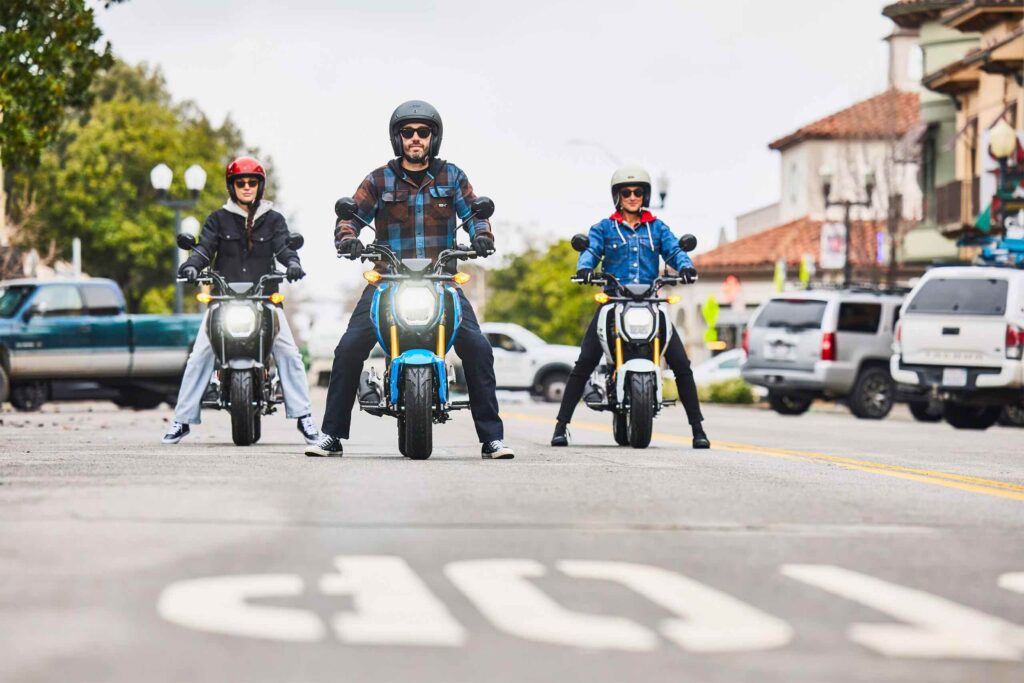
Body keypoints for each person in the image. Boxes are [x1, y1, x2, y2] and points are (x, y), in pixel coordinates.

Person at [307, 100, 513, 459]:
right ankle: (331, 436)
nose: (415, 138)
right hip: (388, 281)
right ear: (397, 137)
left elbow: (475, 213)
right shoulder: (378, 179)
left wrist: (483, 235)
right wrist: (347, 238)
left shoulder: (453, 176)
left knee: (478, 349)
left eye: (423, 132)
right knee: (349, 348)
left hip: (442, 280)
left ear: (434, 137)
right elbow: (351, 217)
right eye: (408, 132)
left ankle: (491, 439)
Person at [550, 164, 710, 450]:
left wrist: (686, 267)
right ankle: (561, 427)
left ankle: (698, 430)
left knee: (681, 364)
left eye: (638, 192)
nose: (633, 197)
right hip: (614, 302)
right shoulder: (603, 228)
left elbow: (674, 250)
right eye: (627, 192)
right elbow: (590, 251)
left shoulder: (657, 228)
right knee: (584, 362)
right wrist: (585, 268)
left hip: (651, 302)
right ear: (618, 196)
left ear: (645, 195)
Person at [162, 156, 320, 445]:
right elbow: (204, 248)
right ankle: (181, 420)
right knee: (199, 356)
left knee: (289, 354)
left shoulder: (274, 219)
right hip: (223, 300)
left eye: (252, 182)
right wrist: (192, 265)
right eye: (240, 182)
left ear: (260, 186)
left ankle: (304, 417)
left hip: (264, 299)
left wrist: (294, 263)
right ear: (231, 185)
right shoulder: (217, 219)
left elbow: (285, 248)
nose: (246, 187)